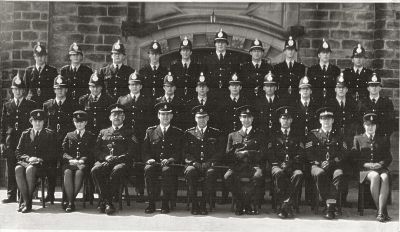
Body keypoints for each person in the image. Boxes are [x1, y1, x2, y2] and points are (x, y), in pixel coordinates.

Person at [91, 104, 140, 215]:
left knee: (118, 170)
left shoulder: (129, 132)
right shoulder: (103, 132)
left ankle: (106, 202)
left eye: (119, 115)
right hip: (106, 161)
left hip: (122, 163)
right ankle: (107, 201)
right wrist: (105, 157)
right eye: (114, 115)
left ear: (124, 117)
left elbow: (132, 151)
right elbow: (96, 150)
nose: (116, 117)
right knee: (95, 170)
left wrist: (118, 158)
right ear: (110, 118)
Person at [0, 74, 37, 203]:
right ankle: (11, 195)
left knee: (24, 166)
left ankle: (25, 194)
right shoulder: (8, 105)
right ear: (12, 90)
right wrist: (2, 142)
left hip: (25, 140)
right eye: (15, 89)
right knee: (10, 167)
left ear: (24, 91)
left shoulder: (31, 104)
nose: (17, 92)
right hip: (11, 140)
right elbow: (3, 124)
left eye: (20, 89)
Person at [305, 107, 347, 219]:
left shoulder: (339, 134)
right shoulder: (313, 134)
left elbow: (343, 152)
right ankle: (330, 205)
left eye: (329, 119)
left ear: (333, 120)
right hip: (317, 165)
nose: (326, 121)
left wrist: (332, 162)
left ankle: (330, 206)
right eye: (323, 119)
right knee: (319, 174)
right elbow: (309, 153)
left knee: (339, 174)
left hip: (334, 165)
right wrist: (319, 163)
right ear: (320, 121)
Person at [224, 105, 267, 215]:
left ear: (252, 119)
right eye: (244, 117)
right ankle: (241, 201)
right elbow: (228, 155)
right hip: (238, 166)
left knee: (259, 176)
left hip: (254, 165)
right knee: (227, 176)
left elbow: (262, 154)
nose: (246, 120)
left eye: (249, 117)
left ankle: (246, 203)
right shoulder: (232, 135)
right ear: (240, 119)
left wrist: (248, 153)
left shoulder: (260, 134)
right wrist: (238, 155)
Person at [142, 102, 184, 214]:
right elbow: (145, 151)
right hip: (154, 163)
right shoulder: (150, 131)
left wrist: (170, 159)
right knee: (148, 169)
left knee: (167, 171)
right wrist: (148, 159)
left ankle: (165, 204)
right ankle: (151, 203)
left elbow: (179, 151)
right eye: (163, 114)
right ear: (158, 116)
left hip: (170, 164)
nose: (165, 117)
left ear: (171, 116)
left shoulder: (177, 132)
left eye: (168, 114)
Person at [117, 71, 153, 199]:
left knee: (139, 163)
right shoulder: (122, 100)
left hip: (141, 137)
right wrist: (127, 134)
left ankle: (139, 189)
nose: (135, 87)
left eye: (137, 84)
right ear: (129, 86)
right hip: (126, 138)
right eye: (132, 84)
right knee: (122, 161)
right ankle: (120, 188)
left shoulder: (148, 100)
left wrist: (144, 136)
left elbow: (150, 120)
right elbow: (118, 119)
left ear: (141, 86)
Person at [183, 105, 224, 215]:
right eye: (199, 117)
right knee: (190, 171)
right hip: (194, 164)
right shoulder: (188, 133)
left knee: (211, 173)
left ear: (208, 118)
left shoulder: (216, 133)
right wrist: (194, 162)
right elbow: (185, 152)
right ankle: (195, 203)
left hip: (209, 164)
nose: (201, 120)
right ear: (195, 119)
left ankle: (203, 204)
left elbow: (219, 152)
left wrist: (209, 162)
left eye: (204, 117)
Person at [43, 75, 78, 203]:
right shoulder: (47, 105)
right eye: (57, 88)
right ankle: (50, 194)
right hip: (51, 142)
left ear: (66, 90)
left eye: (62, 89)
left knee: (66, 168)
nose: (60, 91)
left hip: (67, 142)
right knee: (50, 168)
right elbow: (44, 124)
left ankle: (66, 196)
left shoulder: (73, 104)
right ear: (54, 90)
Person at [352, 113, 392, 222]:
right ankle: (381, 211)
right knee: (374, 176)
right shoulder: (358, 138)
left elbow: (388, 157)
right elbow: (354, 158)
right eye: (368, 125)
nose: (370, 127)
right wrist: (366, 164)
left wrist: (380, 164)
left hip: (380, 167)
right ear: (364, 125)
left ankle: (380, 213)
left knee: (384, 177)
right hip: (364, 170)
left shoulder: (382, 139)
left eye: (373, 125)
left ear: (376, 126)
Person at [15, 109, 57, 213]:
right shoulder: (25, 134)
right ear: (31, 121)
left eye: (40, 121)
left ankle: (26, 204)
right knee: (18, 169)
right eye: (35, 121)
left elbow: (53, 153)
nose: (37, 123)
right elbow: (18, 152)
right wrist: (28, 158)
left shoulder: (49, 134)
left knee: (30, 169)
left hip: (42, 166)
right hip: (27, 162)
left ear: (44, 122)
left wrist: (39, 159)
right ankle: (27, 201)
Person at [269, 106, 304, 219]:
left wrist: (291, 163)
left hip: (293, 165)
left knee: (298, 174)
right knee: (278, 173)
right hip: (277, 165)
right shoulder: (273, 135)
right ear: (279, 120)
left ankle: (284, 205)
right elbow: (270, 153)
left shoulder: (297, 135)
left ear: (291, 120)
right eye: (283, 118)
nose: (285, 121)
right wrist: (279, 164)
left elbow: (301, 153)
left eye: (288, 119)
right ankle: (286, 204)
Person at [62, 110, 95, 212]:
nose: (79, 124)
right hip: (70, 163)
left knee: (79, 173)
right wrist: (70, 159)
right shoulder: (69, 135)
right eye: (77, 122)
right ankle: (71, 202)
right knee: (67, 172)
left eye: (81, 122)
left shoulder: (91, 135)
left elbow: (92, 152)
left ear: (86, 123)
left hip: (83, 164)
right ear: (74, 122)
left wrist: (82, 160)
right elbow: (63, 151)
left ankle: (70, 201)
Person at [204, 29, 239, 100]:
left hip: (228, 95)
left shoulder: (233, 59)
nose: (220, 44)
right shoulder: (208, 59)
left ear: (226, 44)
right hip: (211, 95)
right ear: (215, 44)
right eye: (218, 42)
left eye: (223, 42)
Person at [359, 72, 394, 139]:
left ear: (380, 88)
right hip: (365, 139)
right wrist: (362, 137)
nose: (374, 88)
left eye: (376, 86)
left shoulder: (387, 103)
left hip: (382, 139)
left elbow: (391, 122)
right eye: (372, 86)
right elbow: (358, 121)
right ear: (368, 88)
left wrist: (385, 136)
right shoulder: (362, 103)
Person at [79, 71, 114, 136]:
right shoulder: (83, 100)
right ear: (89, 87)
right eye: (93, 87)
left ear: (101, 87)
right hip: (87, 134)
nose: (95, 89)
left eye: (97, 86)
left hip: (104, 134)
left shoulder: (109, 100)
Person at [307, 39, 340, 105]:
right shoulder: (312, 70)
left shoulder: (336, 70)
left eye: (327, 53)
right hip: (315, 103)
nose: (325, 55)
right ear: (319, 55)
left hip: (332, 103)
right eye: (323, 53)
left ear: (330, 54)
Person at [273, 36, 306, 100]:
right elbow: (276, 86)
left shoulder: (301, 67)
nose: (290, 52)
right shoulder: (278, 67)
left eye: (292, 49)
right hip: (282, 99)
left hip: (296, 99)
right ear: (285, 51)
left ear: (295, 51)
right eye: (288, 50)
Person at [170, 36, 201, 101]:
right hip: (178, 100)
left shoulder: (197, 67)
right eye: (183, 50)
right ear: (180, 52)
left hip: (193, 100)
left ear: (191, 52)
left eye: (187, 50)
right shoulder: (173, 67)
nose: (185, 52)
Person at [254, 71, 283, 138]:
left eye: (272, 86)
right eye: (267, 86)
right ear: (264, 88)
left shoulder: (281, 102)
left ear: (276, 88)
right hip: (261, 135)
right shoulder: (258, 102)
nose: (269, 88)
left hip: (277, 136)